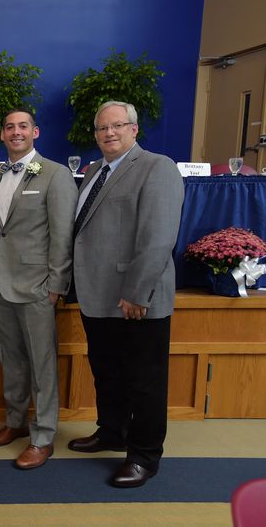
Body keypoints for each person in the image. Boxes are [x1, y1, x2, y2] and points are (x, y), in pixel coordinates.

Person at [68, 100, 184, 488]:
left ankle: (144, 456)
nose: (109, 133)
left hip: (136, 299)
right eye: (102, 128)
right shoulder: (94, 171)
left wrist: (138, 292)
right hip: (97, 295)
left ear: (135, 130)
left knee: (144, 381)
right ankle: (112, 432)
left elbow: (157, 239)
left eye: (118, 126)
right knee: (107, 373)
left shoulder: (157, 167)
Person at [0, 109, 77, 469]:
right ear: (3, 135)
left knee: (41, 364)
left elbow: (62, 236)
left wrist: (56, 285)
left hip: (38, 287)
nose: (16, 132)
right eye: (10, 127)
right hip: (0, 285)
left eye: (23, 126)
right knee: (11, 360)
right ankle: (15, 422)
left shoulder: (55, 174)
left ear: (35, 132)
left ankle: (43, 436)